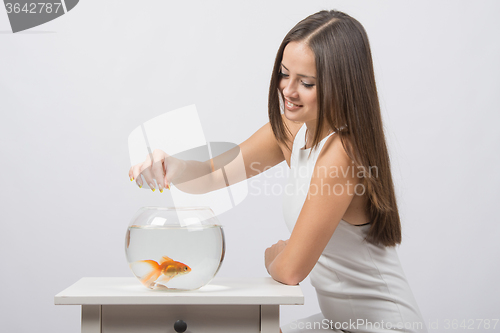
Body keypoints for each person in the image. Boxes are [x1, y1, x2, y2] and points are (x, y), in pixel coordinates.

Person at [129, 9, 427, 333]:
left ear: (343, 85)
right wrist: (174, 165)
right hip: (339, 324)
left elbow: (289, 271)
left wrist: (274, 258)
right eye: (285, 74)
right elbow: (217, 173)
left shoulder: (341, 153)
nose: (288, 90)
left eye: (307, 83)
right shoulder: (292, 129)